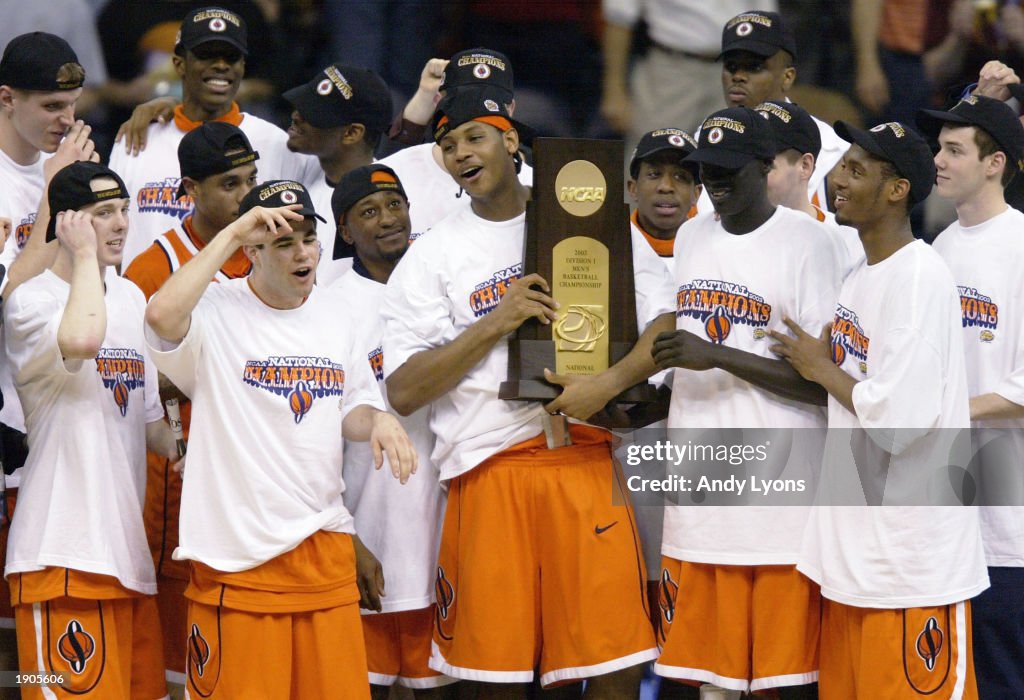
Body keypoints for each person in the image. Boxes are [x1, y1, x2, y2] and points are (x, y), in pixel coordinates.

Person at [382, 86, 675, 696]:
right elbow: (405, 390)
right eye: (446, 145)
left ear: (510, 140)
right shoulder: (432, 254)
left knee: (613, 668)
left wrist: (609, 383)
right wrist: (498, 319)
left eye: (474, 137)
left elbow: (666, 324)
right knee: (495, 679)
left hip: (585, 459)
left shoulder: (586, 214)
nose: (460, 153)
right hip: (490, 472)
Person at [144, 179, 417, 699]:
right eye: (282, 240)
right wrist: (230, 234)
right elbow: (159, 315)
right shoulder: (215, 310)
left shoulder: (338, 313)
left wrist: (379, 420)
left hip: (323, 550)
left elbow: (351, 406)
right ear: (251, 251)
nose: (302, 253)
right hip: (238, 560)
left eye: (308, 238)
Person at [771, 120, 988, 698]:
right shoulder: (862, 274)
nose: (837, 178)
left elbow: (900, 423)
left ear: (898, 190)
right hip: (856, 564)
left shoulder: (919, 279)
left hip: (910, 569)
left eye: (857, 170)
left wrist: (821, 368)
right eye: (842, 165)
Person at [650, 106, 842, 698]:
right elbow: (675, 351)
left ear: (767, 166)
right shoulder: (690, 234)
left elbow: (821, 384)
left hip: (779, 504)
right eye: (706, 169)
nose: (715, 182)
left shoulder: (814, 245)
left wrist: (718, 355)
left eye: (730, 169)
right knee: (710, 683)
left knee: (780, 685)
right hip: (698, 496)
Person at [3, 161, 176, 698]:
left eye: (124, 210)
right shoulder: (30, 302)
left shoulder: (127, 298)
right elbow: (81, 343)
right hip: (63, 551)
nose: (122, 224)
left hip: (125, 554)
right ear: (69, 222)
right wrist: (79, 255)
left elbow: (152, 425)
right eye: (104, 214)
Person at [122, 120, 259, 685]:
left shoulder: (277, 252)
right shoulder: (151, 270)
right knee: (183, 660)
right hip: (179, 476)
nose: (246, 195)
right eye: (230, 184)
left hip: (253, 475)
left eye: (252, 179)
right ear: (188, 191)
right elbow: (133, 387)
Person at [330, 164, 455, 698]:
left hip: (441, 533)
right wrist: (347, 539)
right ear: (344, 231)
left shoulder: (442, 283)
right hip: (369, 535)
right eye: (370, 212)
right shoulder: (327, 307)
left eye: (396, 205)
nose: (389, 220)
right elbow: (317, 441)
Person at [917, 95, 1024, 699]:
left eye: (955, 150)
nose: (939, 159)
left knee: (1004, 678)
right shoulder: (940, 248)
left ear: (995, 163)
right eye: (939, 148)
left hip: (1008, 519)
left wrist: (943, 413)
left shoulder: (1020, 246)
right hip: (948, 512)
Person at [0, 30, 98, 644]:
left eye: (73, 105)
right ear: (6, 99)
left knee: (28, 623)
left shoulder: (68, 170)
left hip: (52, 415)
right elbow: (10, 297)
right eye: (51, 107)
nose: (67, 120)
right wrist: (54, 198)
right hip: (5, 412)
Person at [109, 5, 321, 269]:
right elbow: (109, 235)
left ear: (243, 67)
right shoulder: (137, 137)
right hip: (144, 300)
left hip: (242, 305)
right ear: (179, 64)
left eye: (231, 57)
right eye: (207, 56)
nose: (220, 66)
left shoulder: (276, 143)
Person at [696, 10, 847, 214]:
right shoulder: (703, 141)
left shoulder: (831, 152)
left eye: (754, 67)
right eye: (731, 67)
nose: (738, 77)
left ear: (787, 77)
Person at [379, 48, 533, 237]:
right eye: (461, 102)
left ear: (510, 110)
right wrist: (425, 93)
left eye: (486, 105)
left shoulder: (537, 184)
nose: (472, 113)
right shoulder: (393, 174)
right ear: (439, 102)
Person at [282, 64, 393, 282]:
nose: (296, 116)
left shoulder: (384, 211)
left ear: (352, 133)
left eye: (313, 114)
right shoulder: (298, 180)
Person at [755, 99, 864, 278]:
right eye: (743, 161)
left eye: (765, 164)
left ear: (805, 166)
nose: (749, 175)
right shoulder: (721, 232)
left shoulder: (849, 243)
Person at [627, 127, 701, 267]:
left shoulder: (715, 250)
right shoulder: (608, 249)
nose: (666, 186)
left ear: (696, 194)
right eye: (654, 174)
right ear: (633, 188)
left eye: (680, 176)